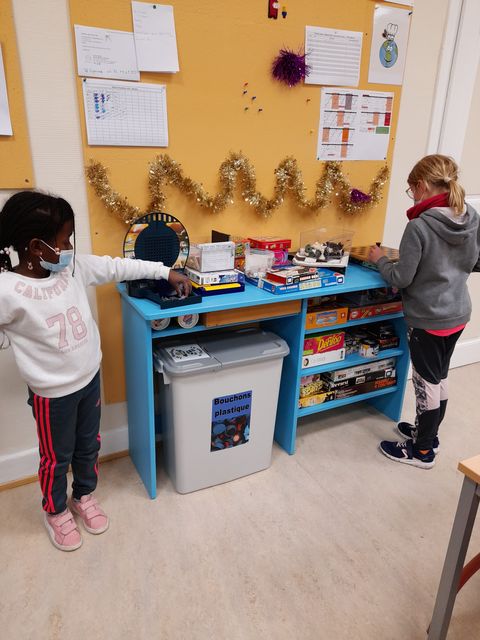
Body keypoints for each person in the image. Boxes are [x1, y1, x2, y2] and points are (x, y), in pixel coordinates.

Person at [0, 191, 191, 550]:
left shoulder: (71, 268)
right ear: (36, 247)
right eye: (64, 241)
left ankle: (83, 496)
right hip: (52, 396)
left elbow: (117, 267)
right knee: (56, 458)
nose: (70, 248)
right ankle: (55, 511)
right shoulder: (7, 290)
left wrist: (164, 271)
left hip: (89, 381)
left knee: (89, 446)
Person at [368, 155, 480, 469]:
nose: (412, 196)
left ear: (421, 186)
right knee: (438, 377)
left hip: (429, 319)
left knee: (425, 383)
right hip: (458, 312)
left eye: (411, 190)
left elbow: (401, 278)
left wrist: (380, 259)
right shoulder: (471, 216)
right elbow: (475, 262)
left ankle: (422, 451)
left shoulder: (419, 226)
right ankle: (428, 435)